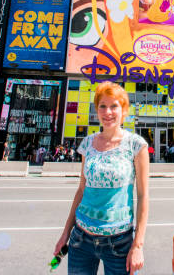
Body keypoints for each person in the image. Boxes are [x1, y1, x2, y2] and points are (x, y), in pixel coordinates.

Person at [54, 81, 149, 275]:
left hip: (119, 244)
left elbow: (143, 195)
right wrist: (65, 233)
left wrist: (138, 245)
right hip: (80, 240)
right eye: (102, 106)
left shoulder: (136, 145)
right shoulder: (87, 143)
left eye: (114, 106)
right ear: (97, 110)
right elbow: (81, 190)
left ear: (123, 110)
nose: (108, 112)